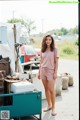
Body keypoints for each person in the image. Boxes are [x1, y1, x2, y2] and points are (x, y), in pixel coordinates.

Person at [38, 34, 59, 116]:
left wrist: (55, 72)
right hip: (43, 70)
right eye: (47, 39)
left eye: (50, 39)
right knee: (46, 89)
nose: (48, 41)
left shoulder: (55, 49)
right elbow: (41, 62)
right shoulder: (43, 49)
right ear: (45, 40)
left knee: (51, 90)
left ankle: (53, 108)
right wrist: (39, 72)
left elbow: (56, 62)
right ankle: (49, 105)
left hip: (51, 71)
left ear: (52, 40)